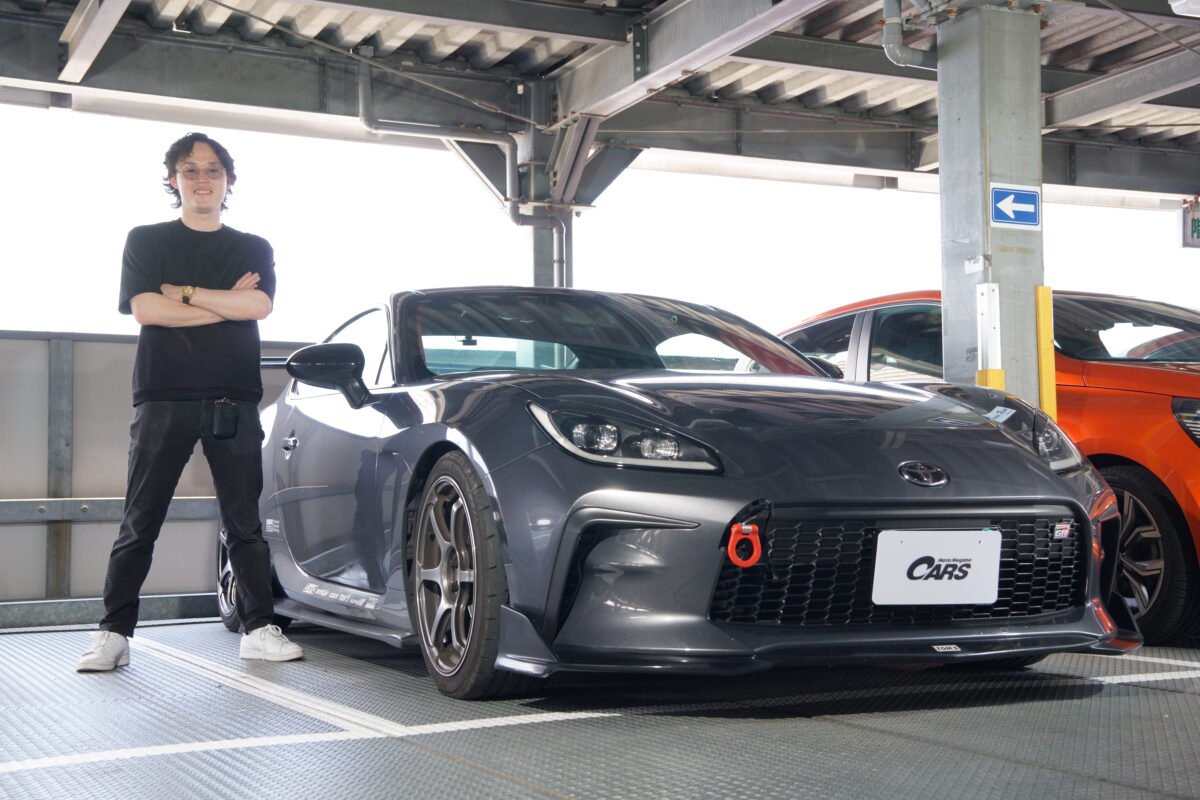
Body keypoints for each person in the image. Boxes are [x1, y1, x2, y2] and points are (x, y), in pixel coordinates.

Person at [76, 132, 303, 671]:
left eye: (213, 170)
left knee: (243, 522)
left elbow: (259, 306)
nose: (203, 179)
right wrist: (225, 304)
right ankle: (113, 634)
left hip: (234, 397)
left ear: (229, 180)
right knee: (141, 519)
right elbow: (146, 311)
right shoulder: (147, 239)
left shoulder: (253, 246)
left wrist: (183, 292)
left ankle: (258, 628)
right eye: (191, 170)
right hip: (163, 395)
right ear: (173, 179)